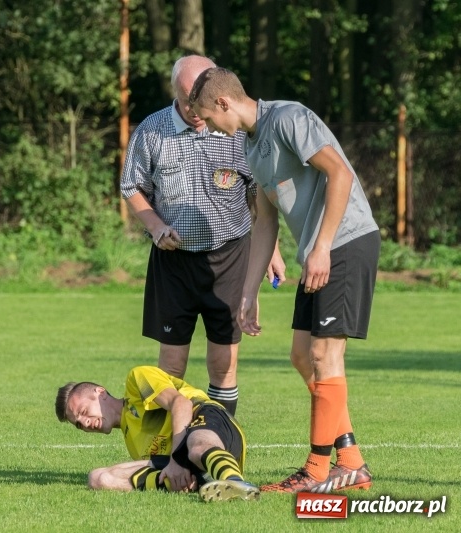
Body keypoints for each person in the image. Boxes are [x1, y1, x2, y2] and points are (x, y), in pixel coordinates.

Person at [189, 68, 380, 493]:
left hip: (346, 241)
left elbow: (340, 175)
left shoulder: (289, 118)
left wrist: (323, 247)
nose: (211, 128)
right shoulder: (250, 147)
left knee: (323, 354)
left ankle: (316, 471)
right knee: (301, 355)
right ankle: (350, 461)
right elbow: (265, 223)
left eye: (208, 117)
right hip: (320, 250)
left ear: (224, 103)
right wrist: (248, 290)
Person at [120, 55, 285, 416]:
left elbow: (256, 189)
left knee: (223, 363)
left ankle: (220, 445)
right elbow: (131, 185)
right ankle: (168, 453)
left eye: (200, 101)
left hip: (230, 255)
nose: (195, 111)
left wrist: (270, 249)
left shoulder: (235, 128)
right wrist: (155, 226)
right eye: (185, 101)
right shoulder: (152, 130)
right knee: (171, 365)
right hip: (173, 263)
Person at [55, 365, 260, 503]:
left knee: (196, 447)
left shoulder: (137, 380)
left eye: (83, 412)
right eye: (79, 425)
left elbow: (181, 403)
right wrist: (174, 469)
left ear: (99, 392)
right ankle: (208, 483)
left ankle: (236, 482)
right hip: (186, 464)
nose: (85, 423)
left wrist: (177, 461)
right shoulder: (132, 440)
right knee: (99, 478)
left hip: (206, 419)